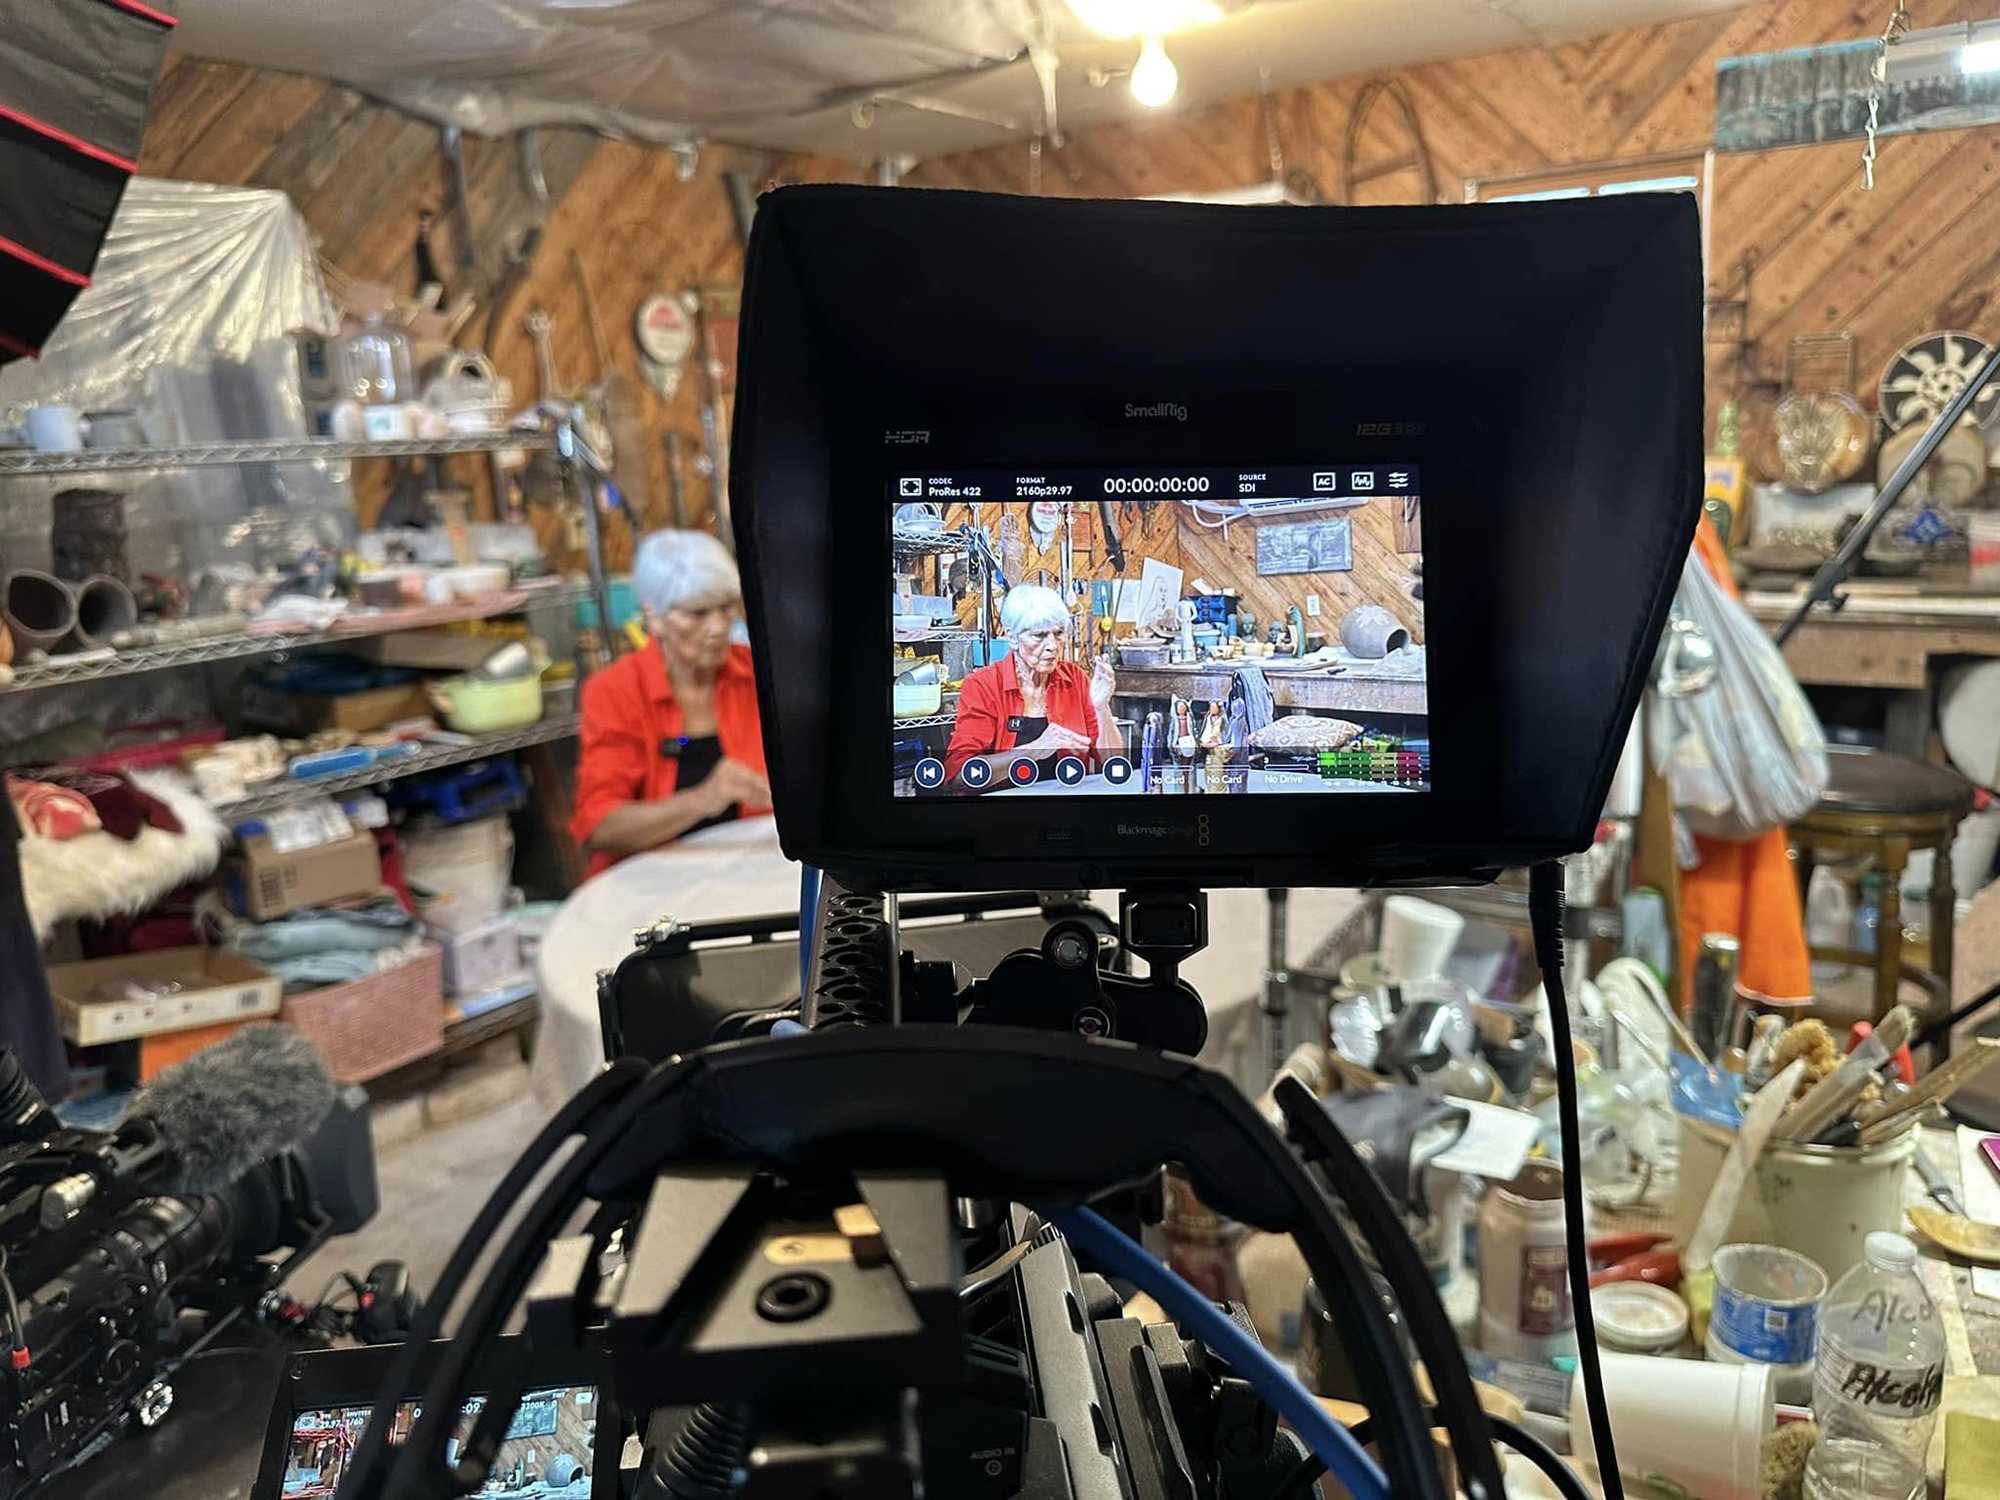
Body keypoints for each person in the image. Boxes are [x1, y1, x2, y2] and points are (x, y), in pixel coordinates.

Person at [570, 530, 770, 878]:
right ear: (655, 618)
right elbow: (598, 827)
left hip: (748, 866)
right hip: (649, 883)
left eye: (726, 608)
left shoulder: (758, 674)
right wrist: (703, 799)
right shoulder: (615, 692)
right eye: (698, 613)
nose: (719, 627)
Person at [943, 584, 1122, 787]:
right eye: (1039, 635)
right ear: (1012, 637)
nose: (1052, 646)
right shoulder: (983, 686)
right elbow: (958, 775)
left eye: (1058, 633)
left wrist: (1102, 709)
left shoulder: (1075, 679)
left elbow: (1114, 763)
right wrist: (1034, 750)